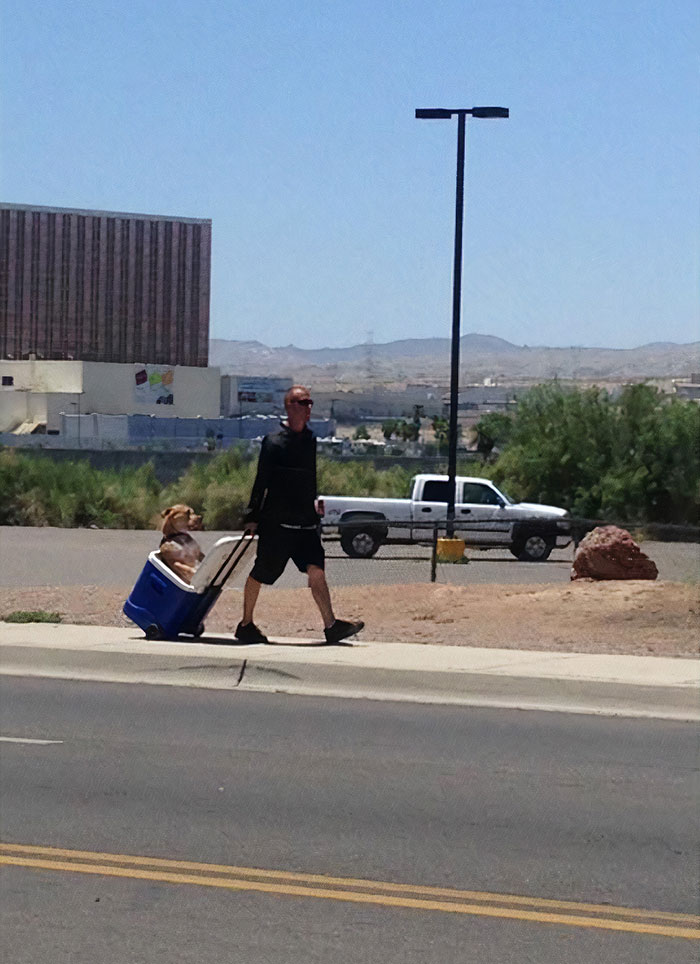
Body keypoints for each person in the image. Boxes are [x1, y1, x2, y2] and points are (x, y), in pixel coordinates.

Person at [235, 384, 364, 645]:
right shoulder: (273, 443)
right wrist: (252, 516)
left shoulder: (310, 440)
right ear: (290, 407)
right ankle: (246, 624)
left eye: (310, 403)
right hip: (277, 525)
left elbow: (310, 479)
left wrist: (313, 504)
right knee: (262, 573)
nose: (309, 408)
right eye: (303, 403)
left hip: (305, 524)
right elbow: (262, 481)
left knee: (316, 569)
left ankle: (331, 626)